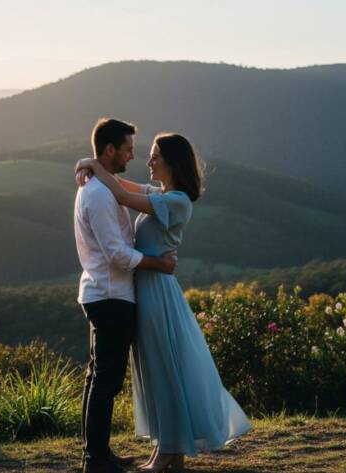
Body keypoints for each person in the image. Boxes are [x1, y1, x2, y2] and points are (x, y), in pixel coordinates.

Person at [76, 132, 251, 472]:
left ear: (172, 162)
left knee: (165, 371)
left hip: (157, 292)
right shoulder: (161, 194)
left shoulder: (177, 201)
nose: (149, 161)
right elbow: (124, 184)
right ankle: (167, 451)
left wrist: (94, 165)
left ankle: (171, 452)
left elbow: (120, 194)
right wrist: (90, 164)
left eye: (155, 156)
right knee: (157, 372)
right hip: (146, 290)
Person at [74, 118, 179, 473]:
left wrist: (90, 165)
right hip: (110, 294)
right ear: (110, 150)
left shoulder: (102, 187)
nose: (133, 155)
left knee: (99, 375)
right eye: (129, 149)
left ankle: (96, 454)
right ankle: (96, 459)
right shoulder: (100, 195)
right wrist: (158, 263)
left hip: (105, 292)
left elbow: (132, 190)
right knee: (106, 378)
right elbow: (119, 255)